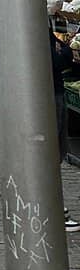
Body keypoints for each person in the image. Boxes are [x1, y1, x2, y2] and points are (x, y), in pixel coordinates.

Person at [49, 13, 79, 233]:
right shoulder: (34, 27)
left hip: (51, 92)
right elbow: (53, 62)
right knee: (51, 153)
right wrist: (68, 50)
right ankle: (53, 210)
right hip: (50, 94)